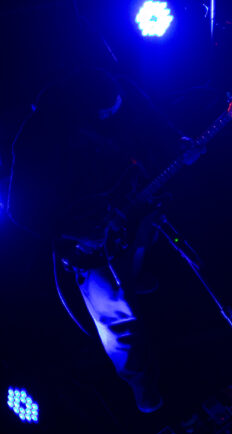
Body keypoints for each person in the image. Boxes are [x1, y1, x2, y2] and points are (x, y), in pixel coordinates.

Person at [6, 67, 201, 412]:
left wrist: (177, 141)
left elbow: (150, 120)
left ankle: (134, 273)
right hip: (86, 233)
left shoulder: (117, 88)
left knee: (144, 242)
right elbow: (21, 211)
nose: (115, 114)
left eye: (117, 106)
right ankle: (139, 382)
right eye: (106, 113)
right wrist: (73, 231)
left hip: (131, 198)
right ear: (82, 112)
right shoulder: (38, 136)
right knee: (117, 318)